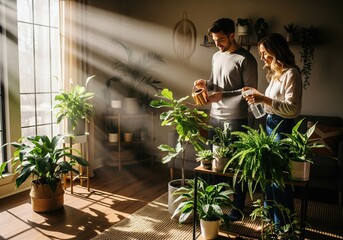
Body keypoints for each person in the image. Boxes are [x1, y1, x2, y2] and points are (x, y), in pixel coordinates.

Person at [194, 18, 258, 221]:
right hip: (215, 117)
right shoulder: (216, 56)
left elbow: (249, 91)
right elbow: (216, 84)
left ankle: (237, 208)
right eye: (215, 40)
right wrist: (206, 84)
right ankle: (215, 203)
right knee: (214, 164)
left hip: (237, 119)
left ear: (232, 35)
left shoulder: (246, 59)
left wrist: (223, 95)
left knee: (236, 166)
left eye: (221, 39)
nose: (217, 44)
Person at [242, 32, 303, 227]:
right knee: (268, 177)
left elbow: (292, 109)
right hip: (270, 125)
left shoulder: (291, 74)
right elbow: (270, 105)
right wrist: (257, 95)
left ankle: (283, 225)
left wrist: (264, 99)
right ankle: (270, 220)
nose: (262, 58)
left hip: (282, 128)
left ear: (276, 51)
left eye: (264, 53)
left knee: (279, 180)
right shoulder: (276, 75)